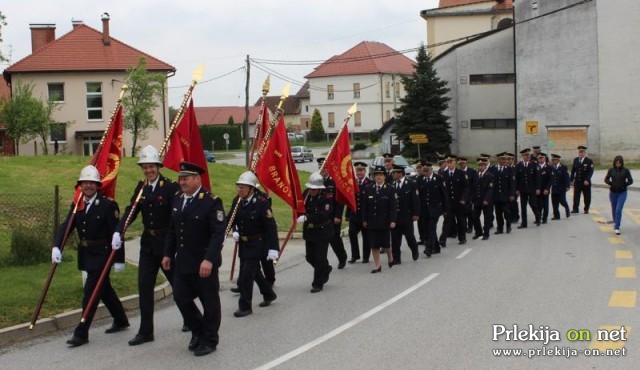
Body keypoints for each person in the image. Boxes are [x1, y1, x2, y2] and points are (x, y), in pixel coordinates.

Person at [113, 145, 190, 346]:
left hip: (166, 244)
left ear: (158, 166)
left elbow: (177, 216)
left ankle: (190, 319)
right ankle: (146, 331)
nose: (149, 171)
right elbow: (131, 210)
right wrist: (118, 230)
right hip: (148, 244)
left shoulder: (170, 187)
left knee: (178, 286)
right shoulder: (142, 188)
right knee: (144, 287)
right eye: (145, 167)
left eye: (151, 167)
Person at [51, 165, 129, 348]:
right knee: (104, 289)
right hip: (86, 254)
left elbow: (117, 234)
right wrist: (56, 246)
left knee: (91, 291)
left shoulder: (108, 205)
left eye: (92, 183)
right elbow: (66, 227)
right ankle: (121, 319)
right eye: (85, 183)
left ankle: (81, 332)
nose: (88, 186)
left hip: (103, 254)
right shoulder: (77, 204)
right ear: (80, 185)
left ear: (98, 185)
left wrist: (119, 259)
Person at [162, 162, 225, 357]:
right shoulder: (179, 199)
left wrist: (209, 260)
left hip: (203, 262)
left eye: (186, 178)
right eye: (180, 178)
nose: (182, 182)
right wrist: (167, 253)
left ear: (197, 179)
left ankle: (210, 339)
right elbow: (173, 229)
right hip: (183, 262)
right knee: (181, 298)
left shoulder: (211, 201)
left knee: (209, 302)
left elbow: (218, 234)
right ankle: (198, 331)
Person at [227, 171, 278, 317]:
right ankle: (268, 294)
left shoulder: (261, 203)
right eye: (239, 187)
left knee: (245, 276)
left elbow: (271, 227)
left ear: (252, 189)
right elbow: (230, 220)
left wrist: (273, 248)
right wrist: (224, 235)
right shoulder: (237, 201)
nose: (240, 190)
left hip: (257, 244)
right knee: (255, 273)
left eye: (243, 187)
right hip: (244, 245)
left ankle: (245, 306)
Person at [297, 172, 334, 292]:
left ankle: (318, 284)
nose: (311, 191)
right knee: (310, 257)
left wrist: (308, 218)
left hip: (322, 231)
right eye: (310, 188)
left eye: (314, 189)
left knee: (319, 258)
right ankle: (325, 268)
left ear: (319, 189)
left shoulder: (326, 197)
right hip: (310, 231)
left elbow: (324, 214)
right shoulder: (306, 194)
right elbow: (300, 206)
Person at [362, 165, 397, 272]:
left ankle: (390, 257)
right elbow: (364, 206)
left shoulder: (390, 189)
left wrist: (392, 220)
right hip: (372, 222)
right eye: (377, 175)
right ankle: (377, 265)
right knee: (374, 245)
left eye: (381, 175)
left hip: (385, 221)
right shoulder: (369, 188)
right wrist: (364, 219)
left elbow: (393, 207)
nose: (378, 177)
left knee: (386, 244)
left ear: (384, 176)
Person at [316, 157, 348, 269]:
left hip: (333, 216)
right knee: (321, 241)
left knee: (334, 239)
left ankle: (342, 258)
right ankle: (322, 264)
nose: (323, 170)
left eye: (325, 167)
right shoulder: (316, 181)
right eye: (320, 167)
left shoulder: (334, 181)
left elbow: (340, 200)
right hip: (321, 217)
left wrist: (338, 215)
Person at [390, 164, 420, 264]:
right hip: (395, 218)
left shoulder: (411, 183)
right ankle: (396, 258)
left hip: (407, 216)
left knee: (410, 237)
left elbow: (415, 200)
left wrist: (416, 213)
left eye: (394, 173)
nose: (392, 175)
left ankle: (415, 250)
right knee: (395, 239)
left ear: (400, 173)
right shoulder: (392, 185)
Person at [417, 162, 447, 257]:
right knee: (427, 228)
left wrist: (445, 209)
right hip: (424, 209)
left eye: (427, 171)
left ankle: (429, 248)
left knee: (431, 227)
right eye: (424, 171)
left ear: (431, 170)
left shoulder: (438, 179)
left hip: (435, 208)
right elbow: (418, 195)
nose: (425, 173)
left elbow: (444, 195)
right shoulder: (420, 179)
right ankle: (437, 247)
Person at [345, 161, 371, 263]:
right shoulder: (352, 183)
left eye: (361, 170)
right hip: (354, 215)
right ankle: (355, 255)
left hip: (366, 216)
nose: (359, 173)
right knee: (352, 234)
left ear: (365, 171)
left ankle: (366, 256)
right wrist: (347, 214)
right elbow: (349, 200)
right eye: (357, 171)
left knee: (366, 237)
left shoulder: (369, 184)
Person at [441, 155, 469, 246]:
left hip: (459, 201)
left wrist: (463, 198)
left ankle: (462, 238)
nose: (449, 164)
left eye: (451, 162)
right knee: (447, 221)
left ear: (455, 163)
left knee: (461, 220)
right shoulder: (443, 174)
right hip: (448, 202)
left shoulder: (461, 173)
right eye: (448, 162)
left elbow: (466, 187)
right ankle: (443, 240)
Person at [604, 155, 633, 235]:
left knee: (618, 209)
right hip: (613, 192)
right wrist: (611, 183)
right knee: (614, 209)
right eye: (616, 163)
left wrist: (624, 184)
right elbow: (606, 179)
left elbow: (631, 181)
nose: (618, 164)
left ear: (621, 163)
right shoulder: (611, 170)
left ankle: (617, 227)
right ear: (614, 163)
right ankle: (615, 221)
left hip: (622, 193)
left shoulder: (625, 170)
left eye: (619, 163)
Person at [515, 148, 541, 228]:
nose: (527, 156)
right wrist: (517, 189)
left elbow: (537, 177)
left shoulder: (534, 164)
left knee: (533, 204)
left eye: (528, 155)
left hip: (532, 188)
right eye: (525, 155)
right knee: (523, 206)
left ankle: (538, 217)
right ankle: (524, 223)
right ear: (522, 156)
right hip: (523, 189)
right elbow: (517, 178)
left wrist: (537, 188)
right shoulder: (519, 165)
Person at [471, 159, 494, 240]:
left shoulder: (489, 176)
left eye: (482, 165)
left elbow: (490, 189)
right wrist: (472, 198)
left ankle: (486, 234)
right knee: (475, 217)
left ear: (485, 166)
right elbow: (473, 188)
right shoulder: (476, 175)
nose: (480, 167)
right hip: (477, 200)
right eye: (479, 165)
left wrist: (486, 199)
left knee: (487, 218)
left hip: (486, 201)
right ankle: (478, 232)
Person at [493, 153, 515, 235]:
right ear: (498, 160)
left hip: (506, 195)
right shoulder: (493, 169)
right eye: (503, 159)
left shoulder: (509, 169)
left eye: (506, 159)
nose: (505, 161)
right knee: (498, 213)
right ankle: (500, 228)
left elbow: (512, 183)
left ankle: (508, 225)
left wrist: (512, 194)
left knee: (506, 212)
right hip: (496, 195)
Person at [571, 146, 594, 214]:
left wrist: (587, 179)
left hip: (585, 182)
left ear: (585, 153)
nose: (580, 154)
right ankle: (575, 209)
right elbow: (573, 171)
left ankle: (586, 209)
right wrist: (571, 180)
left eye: (582, 152)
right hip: (577, 181)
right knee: (576, 196)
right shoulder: (576, 160)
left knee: (587, 196)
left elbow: (591, 171)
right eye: (579, 152)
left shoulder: (589, 160)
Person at [550, 154, 571, 220]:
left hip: (561, 187)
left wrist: (567, 186)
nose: (553, 161)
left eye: (554, 160)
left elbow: (566, 177)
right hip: (554, 187)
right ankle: (556, 215)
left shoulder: (563, 167)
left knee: (562, 201)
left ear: (558, 160)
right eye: (552, 160)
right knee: (554, 202)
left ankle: (566, 208)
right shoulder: (551, 167)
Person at [537, 153, 552, 224]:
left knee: (545, 204)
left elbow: (550, 179)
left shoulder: (549, 167)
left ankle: (544, 218)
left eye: (542, 158)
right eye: (539, 158)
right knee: (538, 204)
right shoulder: (536, 166)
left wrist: (547, 189)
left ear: (545, 158)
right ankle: (538, 217)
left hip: (545, 189)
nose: (540, 159)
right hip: (538, 189)